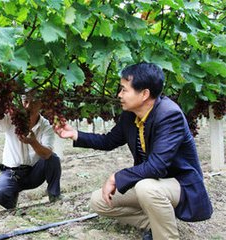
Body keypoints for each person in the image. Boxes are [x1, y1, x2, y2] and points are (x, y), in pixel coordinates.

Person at [54, 62, 213, 240]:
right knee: (99, 201)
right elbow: (109, 141)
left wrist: (115, 177)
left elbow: (156, 167)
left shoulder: (169, 115)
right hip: (153, 183)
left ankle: (166, 236)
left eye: (124, 90)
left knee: (147, 188)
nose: (119, 95)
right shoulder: (131, 114)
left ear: (144, 94)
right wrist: (74, 134)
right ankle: (156, 223)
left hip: (181, 185)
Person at [0, 90, 62, 209]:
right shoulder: (12, 119)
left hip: (34, 174)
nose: (28, 106)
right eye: (25, 101)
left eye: (33, 102)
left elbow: (47, 154)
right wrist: (2, 96)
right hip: (12, 173)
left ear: (41, 104)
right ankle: (11, 205)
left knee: (53, 158)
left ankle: (55, 196)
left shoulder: (46, 126)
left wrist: (33, 142)